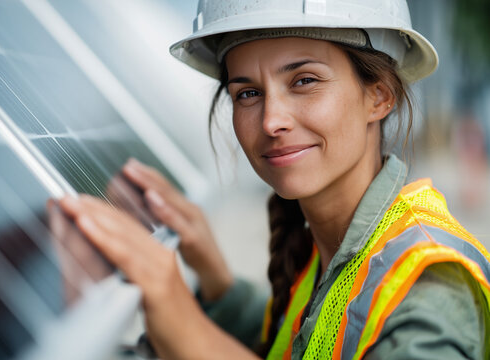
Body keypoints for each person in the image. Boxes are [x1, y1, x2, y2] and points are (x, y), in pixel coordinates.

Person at [59, 0, 490, 359]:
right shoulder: (327, 253)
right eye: (247, 92)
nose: (271, 120)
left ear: (378, 95)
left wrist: (184, 323)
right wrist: (215, 279)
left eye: (304, 81)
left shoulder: (429, 289)